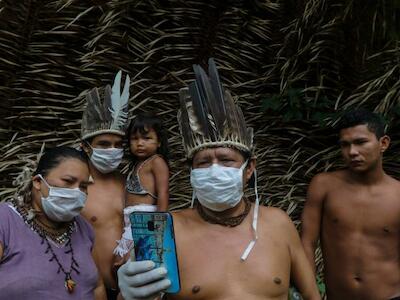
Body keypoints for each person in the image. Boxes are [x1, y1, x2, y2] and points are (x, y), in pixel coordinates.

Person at [117, 58, 321, 300]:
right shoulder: (165, 231)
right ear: (191, 172)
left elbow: (311, 296)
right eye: (203, 162)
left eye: (226, 160)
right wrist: (128, 294)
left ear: (249, 168)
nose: (214, 170)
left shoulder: (278, 223)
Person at [301, 109, 400, 299]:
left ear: (383, 143)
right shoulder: (324, 186)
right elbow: (307, 243)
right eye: (345, 145)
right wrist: (311, 294)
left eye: (361, 142)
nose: (352, 152)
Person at [0, 146, 106, 300]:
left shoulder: (83, 228)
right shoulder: (5, 220)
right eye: (68, 181)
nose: (77, 192)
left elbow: (97, 287)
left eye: (83, 186)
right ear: (38, 182)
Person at [80, 71, 130, 299]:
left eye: (118, 144)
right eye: (104, 143)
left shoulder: (129, 183)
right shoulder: (76, 189)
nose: (112, 150)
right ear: (87, 147)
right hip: (89, 289)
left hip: (130, 287)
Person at [113, 113, 169, 258]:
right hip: (130, 218)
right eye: (134, 139)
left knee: (123, 258)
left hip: (146, 218)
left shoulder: (156, 162)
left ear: (159, 142)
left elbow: (163, 193)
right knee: (127, 260)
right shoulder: (136, 165)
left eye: (146, 138)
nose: (139, 143)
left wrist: (159, 224)